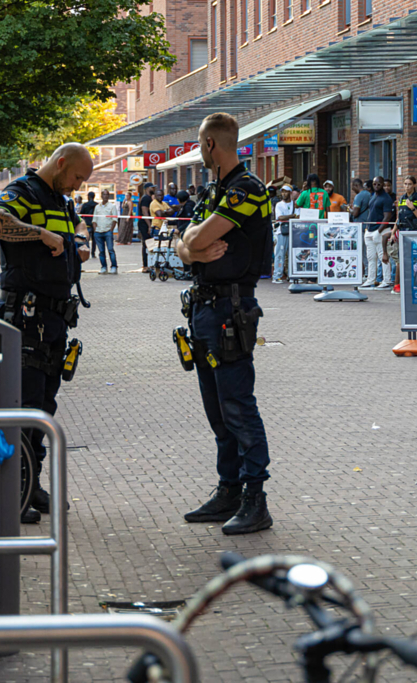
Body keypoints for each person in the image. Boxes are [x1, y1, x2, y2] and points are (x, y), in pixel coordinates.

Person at [175, 111, 273, 535]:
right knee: (217, 410)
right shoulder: (215, 191)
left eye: (199, 144)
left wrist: (190, 244)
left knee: (237, 405)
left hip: (230, 310)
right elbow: (183, 242)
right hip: (204, 309)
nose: (199, 151)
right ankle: (229, 489)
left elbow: (194, 238)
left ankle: (256, 498)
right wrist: (189, 248)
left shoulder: (246, 189)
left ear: (211, 144)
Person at [0, 143, 92, 524]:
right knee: (22, 406)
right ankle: (12, 489)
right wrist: (40, 235)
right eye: (77, 177)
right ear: (60, 164)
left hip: (53, 320)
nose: (78, 186)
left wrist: (79, 240)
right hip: (25, 320)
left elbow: (76, 223)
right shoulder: (23, 192)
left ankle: (31, 483)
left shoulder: (59, 199)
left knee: (44, 407)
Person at [384, 176, 417, 293]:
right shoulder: (402, 198)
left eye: (409, 184)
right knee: (402, 260)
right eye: (405, 184)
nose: (407, 186)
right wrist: (393, 233)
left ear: (414, 185)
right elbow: (399, 218)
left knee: (415, 260)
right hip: (402, 233)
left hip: (414, 232)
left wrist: (412, 208)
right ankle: (400, 285)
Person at [360, 175, 394, 290]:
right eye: (374, 184)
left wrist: (378, 231)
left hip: (380, 231)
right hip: (369, 230)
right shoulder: (373, 196)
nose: (376, 186)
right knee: (370, 257)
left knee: (382, 256)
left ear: (382, 184)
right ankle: (370, 279)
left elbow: (387, 217)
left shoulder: (386, 198)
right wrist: (368, 229)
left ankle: (387, 280)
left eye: (379, 184)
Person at [272, 184, 296, 283]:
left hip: (293, 231)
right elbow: (280, 217)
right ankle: (277, 276)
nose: (283, 193)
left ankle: (292, 276)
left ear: (290, 192)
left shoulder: (294, 204)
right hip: (281, 232)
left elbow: (299, 216)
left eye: (286, 191)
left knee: (292, 255)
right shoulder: (279, 204)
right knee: (279, 254)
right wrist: (293, 215)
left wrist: (292, 216)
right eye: (282, 191)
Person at [92, 189, 119, 274]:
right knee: (101, 251)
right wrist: (95, 229)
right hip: (98, 232)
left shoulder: (112, 206)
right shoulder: (97, 207)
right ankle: (103, 267)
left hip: (107, 231)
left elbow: (115, 219)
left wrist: (111, 230)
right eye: (104, 194)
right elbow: (94, 219)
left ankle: (114, 267)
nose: (106, 196)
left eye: (107, 195)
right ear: (101, 195)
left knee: (110, 250)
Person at [138, 183, 155, 271]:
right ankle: (146, 265)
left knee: (149, 244)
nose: (154, 189)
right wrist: (149, 226)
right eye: (152, 187)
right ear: (148, 188)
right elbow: (145, 212)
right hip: (144, 224)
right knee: (146, 244)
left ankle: (149, 264)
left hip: (146, 224)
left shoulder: (148, 198)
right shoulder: (145, 198)